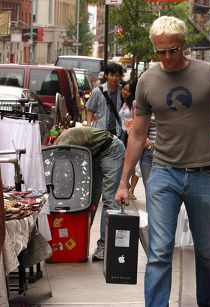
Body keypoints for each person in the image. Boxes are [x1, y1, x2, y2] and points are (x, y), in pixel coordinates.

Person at [114, 16, 210, 307]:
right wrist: (124, 181)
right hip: (163, 172)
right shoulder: (148, 81)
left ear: (183, 44)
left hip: (204, 174)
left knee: (209, 251)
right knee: (160, 251)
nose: (166, 57)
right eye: (160, 51)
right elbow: (137, 134)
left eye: (172, 50)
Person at [53, 127, 125, 261]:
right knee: (88, 200)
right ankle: (80, 242)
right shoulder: (61, 147)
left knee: (110, 199)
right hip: (94, 154)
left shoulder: (67, 143)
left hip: (111, 149)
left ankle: (104, 246)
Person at [86, 63, 124, 137]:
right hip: (100, 130)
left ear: (120, 77)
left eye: (117, 76)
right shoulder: (98, 91)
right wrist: (89, 127)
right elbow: (90, 110)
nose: (114, 78)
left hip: (117, 131)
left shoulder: (122, 90)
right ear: (106, 75)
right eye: (112, 75)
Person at [118, 80, 140, 200]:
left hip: (131, 136)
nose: (125, 92)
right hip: (123, 135)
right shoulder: (123, 102)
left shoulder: (134, 103)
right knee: (127, 162)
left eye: (128, 90)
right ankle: (126, 186)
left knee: (133, 163)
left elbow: (137, 120)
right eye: (124, 89)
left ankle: (131, 189)